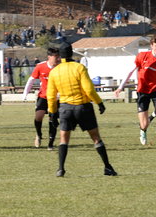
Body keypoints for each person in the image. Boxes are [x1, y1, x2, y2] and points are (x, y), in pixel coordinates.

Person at [47, 42, 117, 177]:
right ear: (71, 53)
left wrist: (52, 113)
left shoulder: (54, 72)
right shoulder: (79, 68)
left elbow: (51, 96)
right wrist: (99, 103)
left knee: (63, 139)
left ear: (60, 55)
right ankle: (107, 167)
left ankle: (60, 169)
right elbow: (89, 90)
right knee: (96, 138)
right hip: (83, 107)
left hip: (65, 108)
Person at [114, 34, 156, 150]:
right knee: (144, 124)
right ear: (151, 45)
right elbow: (130, 71)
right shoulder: (142, 56)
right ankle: (143, 131)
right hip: (142, 91)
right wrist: (120, 87)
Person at [23, 47, 60, 150]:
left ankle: (50, 144)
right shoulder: (40, 66)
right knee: (38, 116)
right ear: (49, 57)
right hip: (43, 96)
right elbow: (31, 80)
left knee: (52, 119)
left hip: (56, 98)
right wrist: (25, 94)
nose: (58, 58)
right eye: (56, 56)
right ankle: (39, 135)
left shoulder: (61, 67)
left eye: (59, 56)